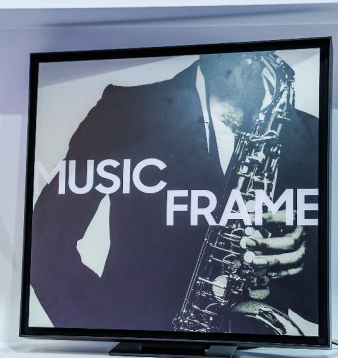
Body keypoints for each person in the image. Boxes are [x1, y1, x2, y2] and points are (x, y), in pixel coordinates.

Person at [30, 52, 320, 334]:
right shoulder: (123, 112)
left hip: (255, 354)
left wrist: (302, 263)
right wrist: (105, 329)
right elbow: (43, 244)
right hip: (144, 352)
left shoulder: (313, 133)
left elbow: (316, 306)